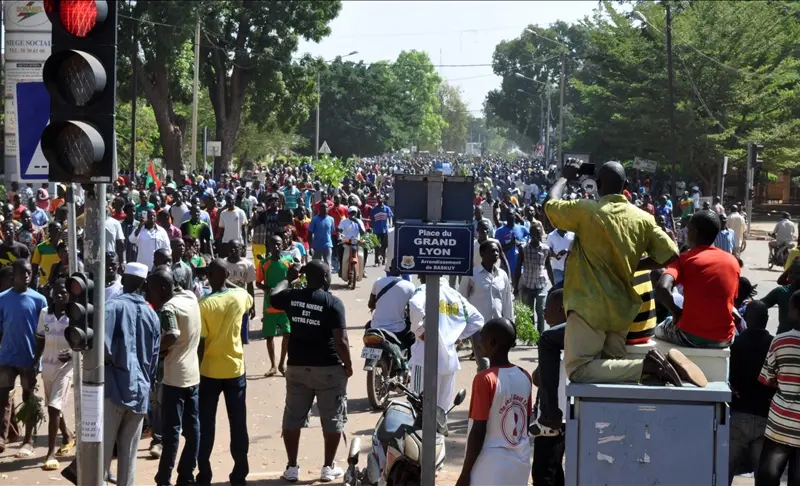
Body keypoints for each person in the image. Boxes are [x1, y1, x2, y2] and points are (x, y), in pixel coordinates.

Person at [536, 160, 701, 436]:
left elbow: (550, 205)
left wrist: (564, 178)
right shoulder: (642, 218)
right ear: (626, 188)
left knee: (578, 370)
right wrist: (637, 264)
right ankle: (606, 434)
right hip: (622, 312)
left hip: (589, 309)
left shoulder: (586, 210)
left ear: (598, 186)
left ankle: (646, 365)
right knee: (609, 380)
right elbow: (673, 253)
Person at [269, 260, 352, 483]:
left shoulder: (292, 296)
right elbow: (341, 340)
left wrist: (289, 276)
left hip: (297, 367)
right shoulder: (333, 303)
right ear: (326, 277)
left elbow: (274, 296)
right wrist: (348, 365)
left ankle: (292, 467)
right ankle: (328, 467)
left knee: (292, 417)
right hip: (328, 369)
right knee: (332, 418)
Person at [103, 263, 160, 486]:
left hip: (113, 389)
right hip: (140, 392)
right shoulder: (151, 314)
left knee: (103, 455)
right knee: (128, 457)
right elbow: (154, 359)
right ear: (144, 284)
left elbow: (102, 348)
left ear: (123, 280)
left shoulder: (112, 306)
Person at [456, 317, 532, 486]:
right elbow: (524, 422)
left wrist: (465, 474)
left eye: (481, 337)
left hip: (490, 466)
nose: (478, 342)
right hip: (520, 462)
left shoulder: (485, 379)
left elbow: (478, 430)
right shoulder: (524, 375)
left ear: (492, 342)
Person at [197, 259, 253, 486]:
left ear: (209, 276)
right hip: (235, 370)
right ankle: (239, 474)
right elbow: (245, 295)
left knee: (206, 425)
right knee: (238, 424)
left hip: (209, 371)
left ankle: (204, 475)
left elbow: (200, 345)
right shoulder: (240, 297)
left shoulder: (203, 305)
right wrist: (226, 280)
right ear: (227, 275)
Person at [147, 268, 202, 486]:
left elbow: (171, 334)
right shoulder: (189, 296)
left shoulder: (169, 308)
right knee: (193, 430)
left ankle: (164, 479)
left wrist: (155, 351)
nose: (150, 296)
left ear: (162, 288)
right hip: (193, 376)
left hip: (174, 380)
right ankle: (186, 475)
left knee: (171, 434)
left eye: (151, 291)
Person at [655, 210, 739, 348]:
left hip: (690, 336)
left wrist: (677, 312)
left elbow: (662, 288)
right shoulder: (733, 261)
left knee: (661, 327)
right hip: (724, 338)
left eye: (688, 230)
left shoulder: (684, 258)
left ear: (694, 232)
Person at [409, 275, 484, 409]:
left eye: (419, 272)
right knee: (441, 411)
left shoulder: (424, 289)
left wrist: (419, 331)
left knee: (418, 407)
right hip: (449, 363)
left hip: (424, 359)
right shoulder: (455, 296)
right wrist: (456, 335)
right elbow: (478, 320)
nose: (418, 276)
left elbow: (415, 304)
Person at [0, 260, 47, 456]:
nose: (26, 276)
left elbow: (44, 333)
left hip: (29, 359)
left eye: (29, 272)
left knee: (29, 400)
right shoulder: (2, 298)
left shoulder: (39, 300)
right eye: (22, 273)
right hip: (6, 359)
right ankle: (2, 437)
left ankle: (28, 440)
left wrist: (36, 360)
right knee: (2, 397)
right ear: (14, 275)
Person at [756, 290, 800, 486]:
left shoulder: (781, 341)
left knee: (768, 476)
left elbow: (766, 378)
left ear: (794, 311)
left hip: (780, 423)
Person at [728, 301, 774, 484]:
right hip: (765, 415)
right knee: (762, 473)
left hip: (739, 414)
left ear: (746, 319)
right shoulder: (773, 344)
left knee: (726, 468)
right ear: (767, 319)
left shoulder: (736, 343)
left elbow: (729, 377)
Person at [34, 278, 75, 471]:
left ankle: (50, 453)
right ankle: (67, 435)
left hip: (66, 368)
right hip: (47, 368)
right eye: (56, 291)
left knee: (53, 408)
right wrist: (35, 363)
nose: (60, 295)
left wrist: (74, 354)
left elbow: (84, 343)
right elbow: (41, 340)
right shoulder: (44, 313)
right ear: (51, 292)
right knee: (53, 407)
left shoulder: (75, 315)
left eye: (64, 292)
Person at [460, 239, 514, 371]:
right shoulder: (471, 275)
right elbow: (462, 299)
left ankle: (491, 389)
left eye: (497, 251)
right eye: (492, 250)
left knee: (497, 364)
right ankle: (483, 387)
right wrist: (463, 327)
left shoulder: (502, 275)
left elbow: (507, 301)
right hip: (479, 328)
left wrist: (511, 324)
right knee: (484, 365)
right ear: (482, 254)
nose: (496, 253)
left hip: (498, 327)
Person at [257, 235, 293, 377]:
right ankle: (273, 365)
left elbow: (294, 279)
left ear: (283, 244)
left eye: (278, 244)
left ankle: (282, 363)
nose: (276, 247)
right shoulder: (264, 263)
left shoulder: (288, 262)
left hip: (285, 305)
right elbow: (258, 283)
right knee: (269, 336)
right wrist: (267, 288)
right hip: (270, 305)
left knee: (287, 334)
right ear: (269, 247)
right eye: (273, 245)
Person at [368, 259, 416, 350]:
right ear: (403, 271)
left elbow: (370, 304)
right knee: (411, 338)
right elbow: (411, 311)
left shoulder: (378, 282)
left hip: (376, 327)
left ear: (389, 269)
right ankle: (407, 362)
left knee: (367, 330)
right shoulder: (410, 286)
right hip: (398, 329)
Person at [514, 223, 553, 333]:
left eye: (539, 232)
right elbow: (518, 268)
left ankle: (540, 335)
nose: (537, 234)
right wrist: (516, 286)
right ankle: (532, 335)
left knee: (541, 311)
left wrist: (554, 285)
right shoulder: (523, 249)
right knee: (529, 311)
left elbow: (548, 267)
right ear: (530, 234)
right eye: (535, 232)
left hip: (541, 284)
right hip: (527, 284)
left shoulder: (546, 249)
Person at [761, 259, 800, 335]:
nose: (793, 276)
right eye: (791, 272)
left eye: (797, 273)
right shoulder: (781, 291)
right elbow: (760, 306)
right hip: (782, 339)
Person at [494, 209, 529, 274]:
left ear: (515, 216)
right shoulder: (499, 232)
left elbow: (529, 244)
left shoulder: (523, 229)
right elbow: (497, 250)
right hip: (506, 269)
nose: (509, 216)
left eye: (511, 214)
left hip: (521, 269)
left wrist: (522, 245)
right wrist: (511, 244)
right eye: (507, 215)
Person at [369, 194, 392, 266]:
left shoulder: (387, 209)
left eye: (380, 198)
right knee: (377, 246)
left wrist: (390, 226)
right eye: (378, 198)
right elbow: (372, 220)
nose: (379, 200)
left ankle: (384, 260)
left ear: (383, 199)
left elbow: (390, 218)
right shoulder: (374, 209)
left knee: (384, 246)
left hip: (385, 230)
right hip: (376, 230)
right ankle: (376, 260)